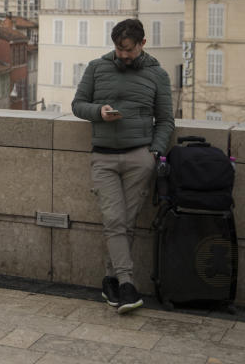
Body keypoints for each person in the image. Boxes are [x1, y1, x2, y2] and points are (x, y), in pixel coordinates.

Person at [72, 18, 173, 314]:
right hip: (103, 157)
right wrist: (99, 112)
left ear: (143, 44)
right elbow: (78, 104)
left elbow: (166, 120)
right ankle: (127, 284)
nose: (123, 55)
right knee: (115, 221)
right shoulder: (96, 68)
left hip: (139, 158)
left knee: (124, 224)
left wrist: (153, 154)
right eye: (118, 48)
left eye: (128, 49)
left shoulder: (158, 75)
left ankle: (110, 279)